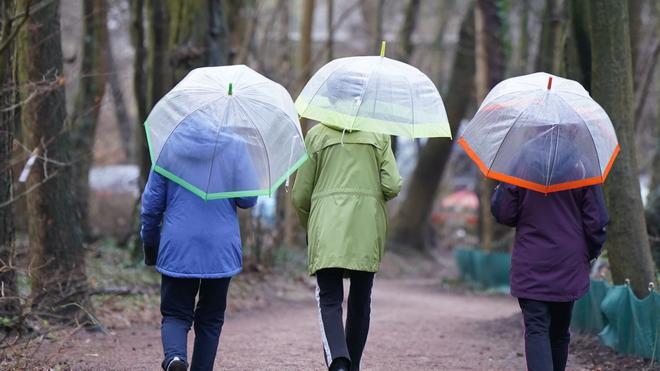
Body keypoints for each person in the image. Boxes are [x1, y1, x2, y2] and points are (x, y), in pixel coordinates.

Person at [141, 113, 258, 371]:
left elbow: (151, 206)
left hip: (178, 245)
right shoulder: (234, 145)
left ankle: (175, 358)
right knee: (211, 318)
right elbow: (248, 199)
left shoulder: (168, 147)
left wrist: (150, 244)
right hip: (220, 247)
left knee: (175, 314)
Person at [292, 122, 402, 371]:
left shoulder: (316, 136)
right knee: (361, 299)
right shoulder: (378, 133)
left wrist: (310, 226)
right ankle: (353, 365)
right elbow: (392, 185)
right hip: (366, 226)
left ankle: (338, 362)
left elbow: (300, 194)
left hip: (327, 227)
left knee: (329, 298)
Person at [491, 175, 609, 371]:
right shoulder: (582, 169)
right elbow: (596, 222)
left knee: (536, 328)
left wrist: (502, 187)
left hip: (531, 260)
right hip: (568, 262)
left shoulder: (521, 164)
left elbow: (504, 213)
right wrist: (589, 253)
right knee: (560, 331)